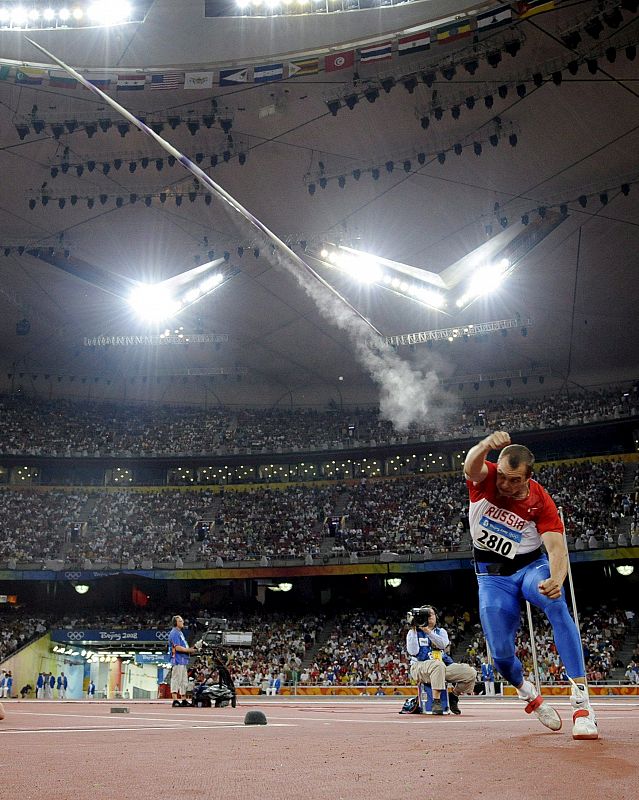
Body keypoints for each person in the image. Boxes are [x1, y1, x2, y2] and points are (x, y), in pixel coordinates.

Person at [464, 431, 598, 740]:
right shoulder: (487, 478)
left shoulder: (541, 501)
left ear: (528, 478)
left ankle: (582, 706)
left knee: (556, 603)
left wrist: (557, 578)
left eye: (514, 481)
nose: (505, 485)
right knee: (499, 653)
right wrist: (485, 445)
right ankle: (530, 696)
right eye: (504, 477)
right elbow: (471, 467)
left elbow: (556, 549)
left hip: (529, 567)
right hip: (491, 577)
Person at [405, 605, 476, 715]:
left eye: (430, 614)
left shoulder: (441, 631)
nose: (428, 617)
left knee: (470, 672)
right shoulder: (413, 632)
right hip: (420, 667)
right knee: (437, 665)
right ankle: (436, 702)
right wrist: (414, 629)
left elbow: (443, 645)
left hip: (440, 667)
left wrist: (428, 632)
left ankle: (454, 696)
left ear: (436, 617)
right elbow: (413, 652)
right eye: (425, 615)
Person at [168, 615, 198, 707]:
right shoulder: (174, 633)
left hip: (182, 660)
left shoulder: (180, 633)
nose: (182, 622)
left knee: (184, 681)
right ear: (176, 623)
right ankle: (175, 699)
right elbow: (177, 647)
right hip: (177, 660)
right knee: (176, 679)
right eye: (180, 621)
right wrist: (189, 650)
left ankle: (183, 699)